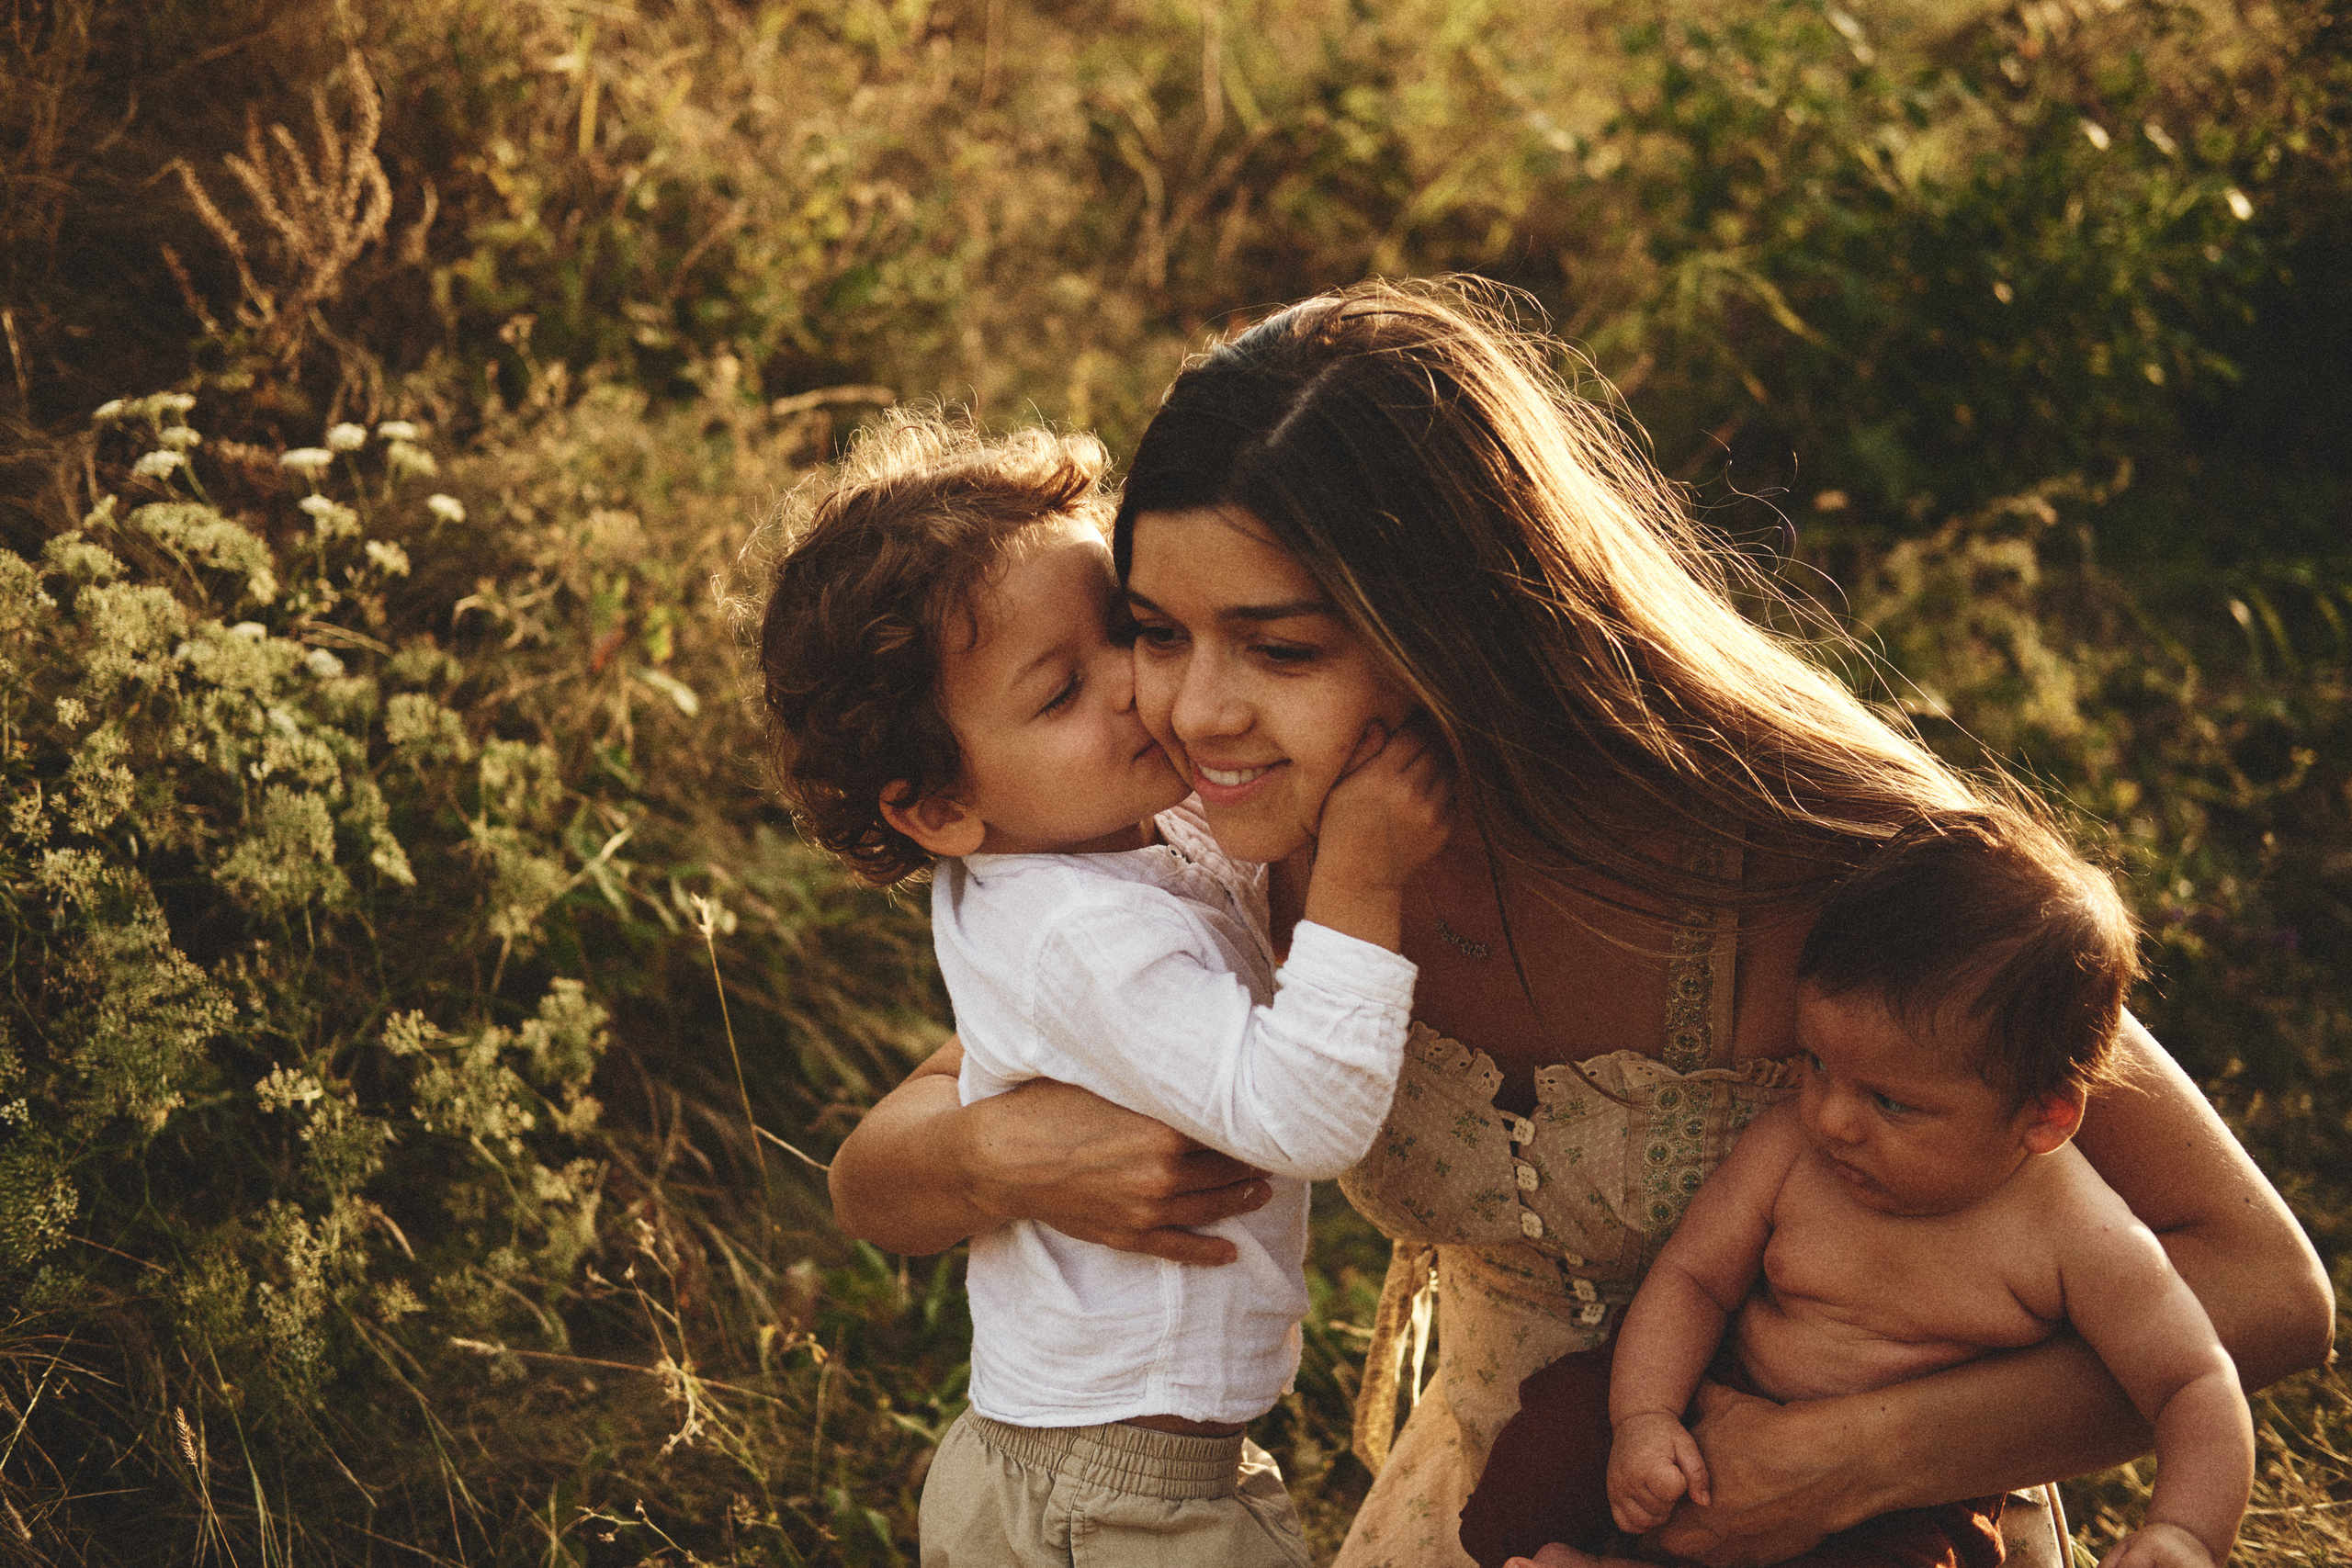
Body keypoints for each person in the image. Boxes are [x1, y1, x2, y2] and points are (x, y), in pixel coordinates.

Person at [822, 280, 2334, 1568]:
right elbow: (878, 1178)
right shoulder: (1236, 841)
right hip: (1488, 1504)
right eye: (1152, 632)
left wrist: (1866, 1451)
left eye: (1275, 646)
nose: (1194, 709)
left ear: (1456, 635)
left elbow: (2265, 1286)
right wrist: (991, 1151)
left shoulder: (1820, 858)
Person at [757, 412, 1453, 1567]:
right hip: (1125, 1495)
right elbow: (1306, 1117)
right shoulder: (1073, 929)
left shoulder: (1081, 838)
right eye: (1060, 692)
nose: (1140, 690)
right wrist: (1364, 870)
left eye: (1125, 633)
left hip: (1065, 1460)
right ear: (937, 811)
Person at [1461, 803, 2253, 1568]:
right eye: (1817, 1065)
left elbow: (2194, 1381)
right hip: (1720, 1389)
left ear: (2043, 1117)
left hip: (1902, 1504)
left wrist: (2186, 1529)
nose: (1832, 1116)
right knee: (1550, 1444)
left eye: (1890, 1100)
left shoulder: (2079, 1235)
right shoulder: (1792, 1151)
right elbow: (1693, 1278)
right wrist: (1645, 1416)